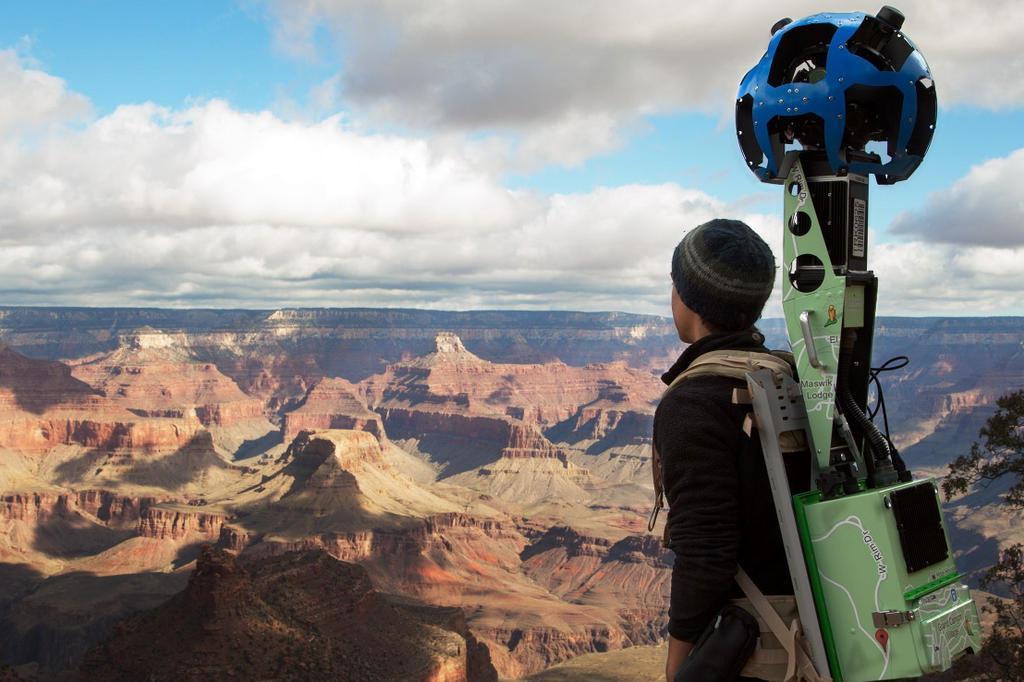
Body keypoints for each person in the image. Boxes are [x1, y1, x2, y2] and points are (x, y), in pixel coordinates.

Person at [655, 219, 794, 682]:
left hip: (754, 655)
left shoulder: (694, 402)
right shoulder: (786, 377)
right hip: (818, 631)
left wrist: (679, 665)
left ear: (687, 297)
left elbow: (706, 553)